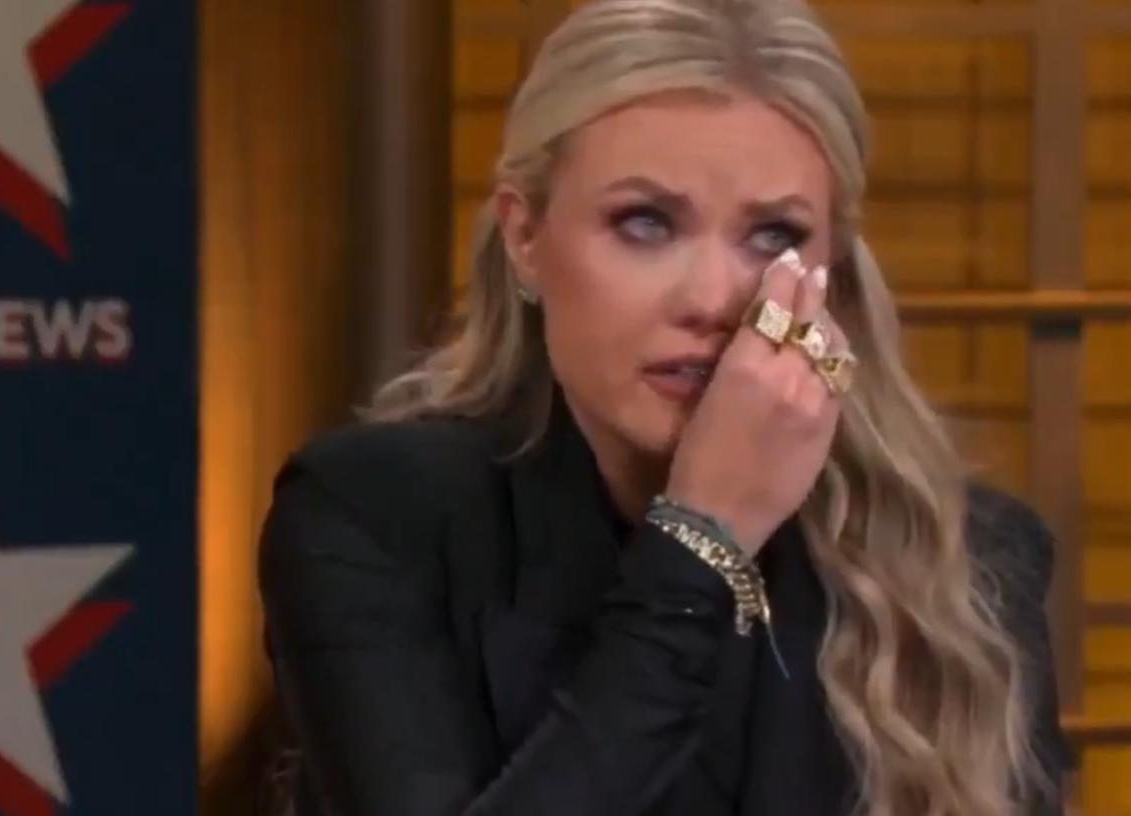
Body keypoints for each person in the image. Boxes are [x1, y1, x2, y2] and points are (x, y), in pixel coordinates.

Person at [258, 0, 1070, 813]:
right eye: (644, 223)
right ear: (525, 235)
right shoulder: (371, 518)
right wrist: (702, 541)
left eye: (774, 237)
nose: (712, 299)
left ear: (835, 269)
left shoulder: (970, 563)